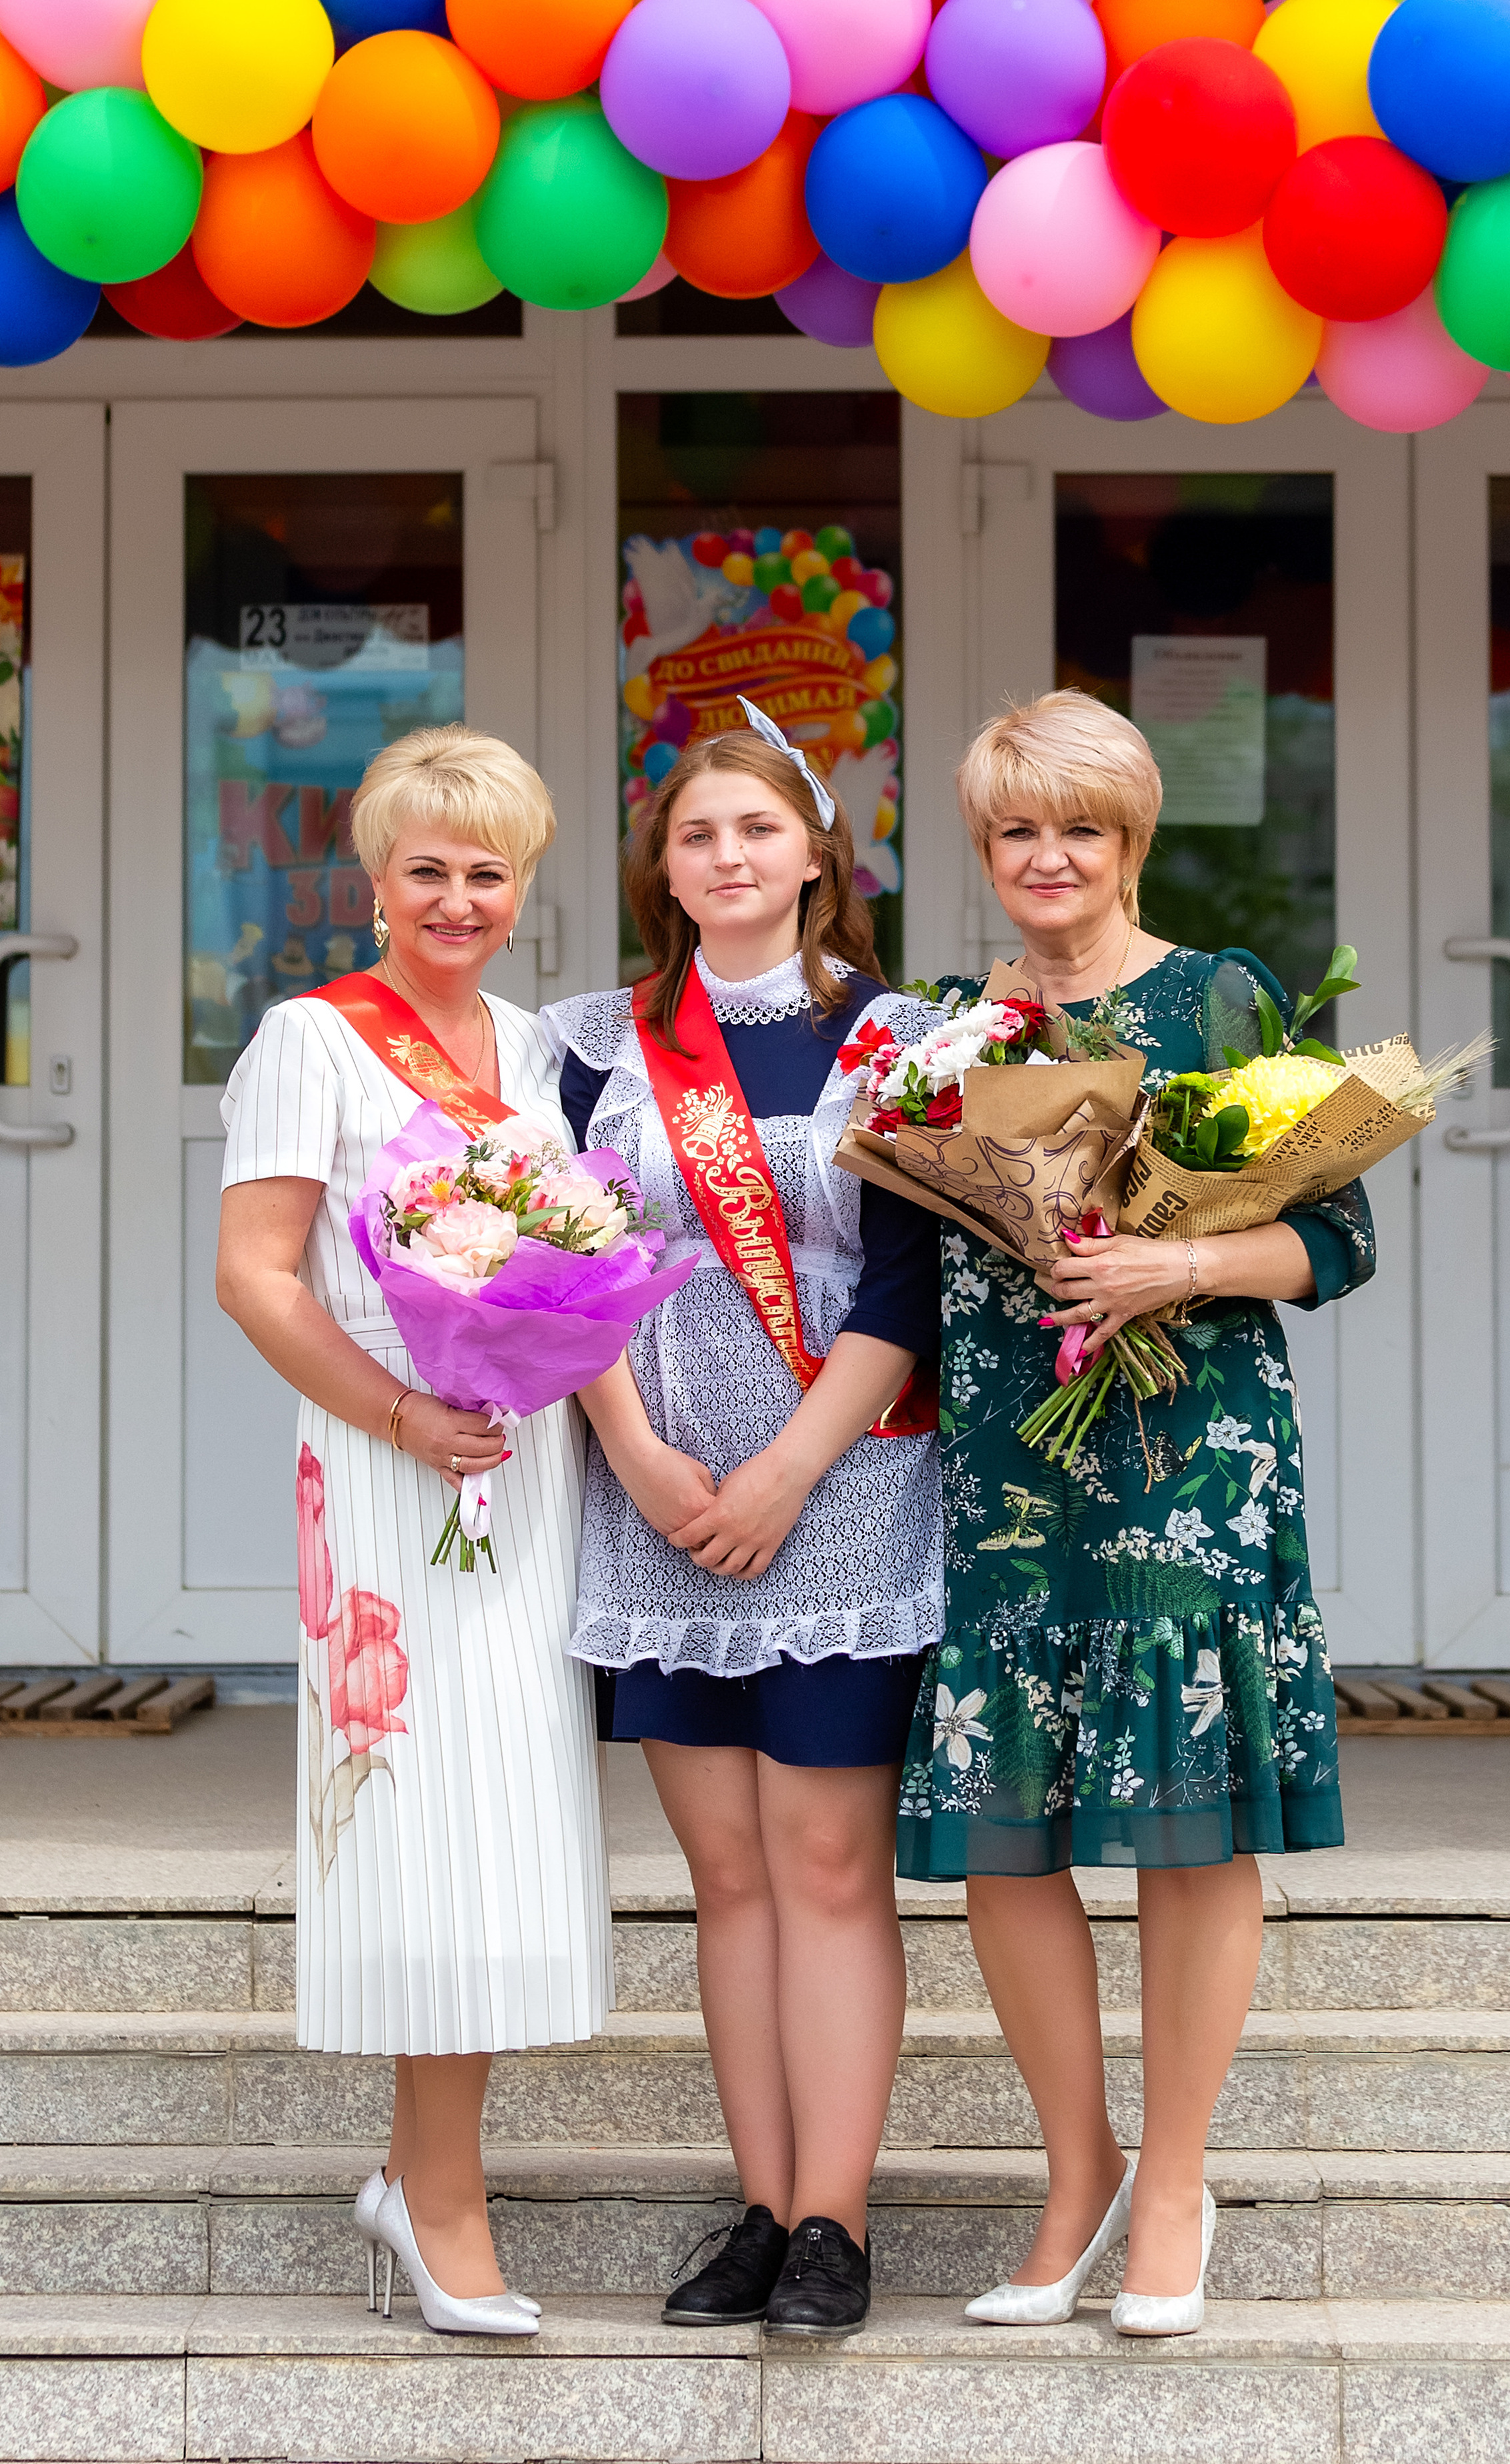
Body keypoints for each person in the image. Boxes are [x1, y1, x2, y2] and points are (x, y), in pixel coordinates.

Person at [897, 691, 1365, 2339]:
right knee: (1005, 1842)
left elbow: (1335, 1241)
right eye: (1017, 830)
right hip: (1007, 1464)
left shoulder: (1214, 994)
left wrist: (1175, 1261)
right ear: (983, 845)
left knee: (1185, 1825)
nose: (1047, 857)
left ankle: (1174, 2181)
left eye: (1078, 830)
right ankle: (1074, 2169)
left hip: (1187, 1461)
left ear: (1128, 840)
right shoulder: (937, 1025)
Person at [543, 713, 942, 2341]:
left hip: (841, 1487)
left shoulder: (901, 1041)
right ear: (665, 864)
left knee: (828, 1861)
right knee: (724, 1877)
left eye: (755, 832)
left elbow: (918, 1278)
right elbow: (549, 1270)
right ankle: (761, 2206)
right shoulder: (590, 1042)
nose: (726, 859)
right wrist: (634, 1456)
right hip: (656, 1493)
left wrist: (787, 1467)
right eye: (697, 835)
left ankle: (836, 2221)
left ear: (814, 852)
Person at [215, 723, 611, 2340]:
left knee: (505, 1812)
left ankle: (418, 2167)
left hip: (515, 1463)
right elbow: (258, 1273)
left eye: (488, 871)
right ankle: (439, 2196)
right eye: (427, 868)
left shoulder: (532, 1049)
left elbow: (572, 1254)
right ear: (375, 881)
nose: (458, 897)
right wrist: (397, 1414)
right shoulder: (314, 1037)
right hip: (388, 1466)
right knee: (421, 1818)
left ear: (524, 886)